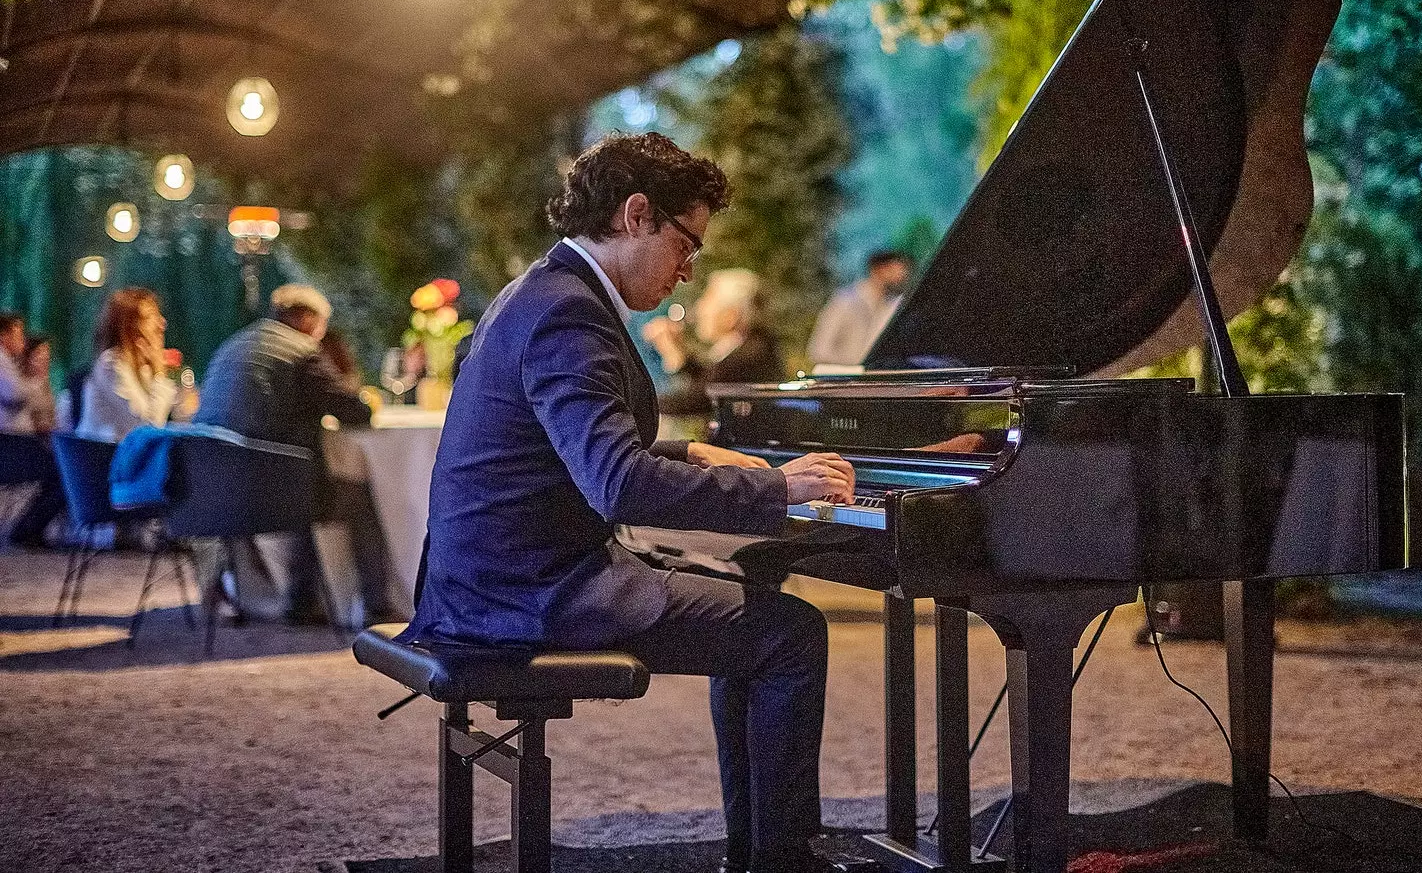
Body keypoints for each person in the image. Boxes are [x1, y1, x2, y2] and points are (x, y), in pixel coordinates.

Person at [402, 132, 854, 873]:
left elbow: (576, 454)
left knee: (753, 607)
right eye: (687, 245)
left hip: (495, 577)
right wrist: (777, 488)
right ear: (637, 214)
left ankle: (758, 852)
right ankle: (781, 859)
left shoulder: (543, 290)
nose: (687, 270)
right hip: (526, 593)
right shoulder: (569, 314)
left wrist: (691, 451)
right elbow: (618, 483)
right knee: (791, 634)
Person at [194, 284, 400, 624]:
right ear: (306, 319)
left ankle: (301, 600)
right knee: (357, 498)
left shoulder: (234, 344)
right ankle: (378, 607)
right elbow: (354, 411)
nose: (321, 334)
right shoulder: (300, 351)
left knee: (303, 478)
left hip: (214, 487)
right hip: (268, 484)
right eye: (321, 324)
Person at [643, 266, 784, 418]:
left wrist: (639, 405)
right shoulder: (752, 346)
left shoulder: (750, 355)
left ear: (731, 316)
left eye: (707, 300)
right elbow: (709, 381)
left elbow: (698, 400)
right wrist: (679, 357)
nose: (699, 309)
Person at [78, 288, 180, 443]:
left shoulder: (142, 368)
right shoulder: (111, 364)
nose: (162, 323)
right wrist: (160, 373)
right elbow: (147, 429)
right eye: (150, 316)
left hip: (124, 459)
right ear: (129, 327)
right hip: (101, 461)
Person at [0, 313, 66, 547]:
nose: (22, 340)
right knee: (62, 470)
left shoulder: (9, 363)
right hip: (10, 444)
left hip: (19, 441)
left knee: (60, 467)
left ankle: (29, 529)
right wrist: (37, 382)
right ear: (4, 335)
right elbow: (13, 394)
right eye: (18, 334)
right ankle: (25, 530)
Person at [804, 250, 913, 369]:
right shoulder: (844, 301)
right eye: (895, 269)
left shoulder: (891, 305)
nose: (902, 275)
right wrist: (855, 365)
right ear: (878, 269)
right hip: (842, 380)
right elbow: (818, 350)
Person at [20, 336, 57, 433]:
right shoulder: (21, 385)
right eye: (39, 352)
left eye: (47, 352)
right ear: (28, 358)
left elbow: (52, 416)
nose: (45, 356)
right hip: (27, 436)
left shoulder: (44, 383)